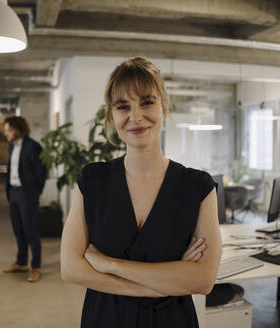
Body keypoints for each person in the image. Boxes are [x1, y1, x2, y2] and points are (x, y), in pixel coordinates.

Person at [60, 57, 222, 327]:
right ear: (111, 117)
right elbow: (71, 268)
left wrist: (110, 265)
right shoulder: (92, 181)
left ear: (165, 108)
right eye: (123, 106)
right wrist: (160, 284)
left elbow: (203, 280)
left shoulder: (198, 187)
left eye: (147, 102)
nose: (135, 116)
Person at [2, 116, 47, 282]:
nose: (5, 133)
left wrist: (35, 194)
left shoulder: (33, 146)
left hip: (27, 195)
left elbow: (41, 172)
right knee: (18, 230)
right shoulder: (11, 146)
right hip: (13, 192)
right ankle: (21, 263)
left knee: (31, 232)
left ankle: (36, 266)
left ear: (17, 129)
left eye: (8, 130)